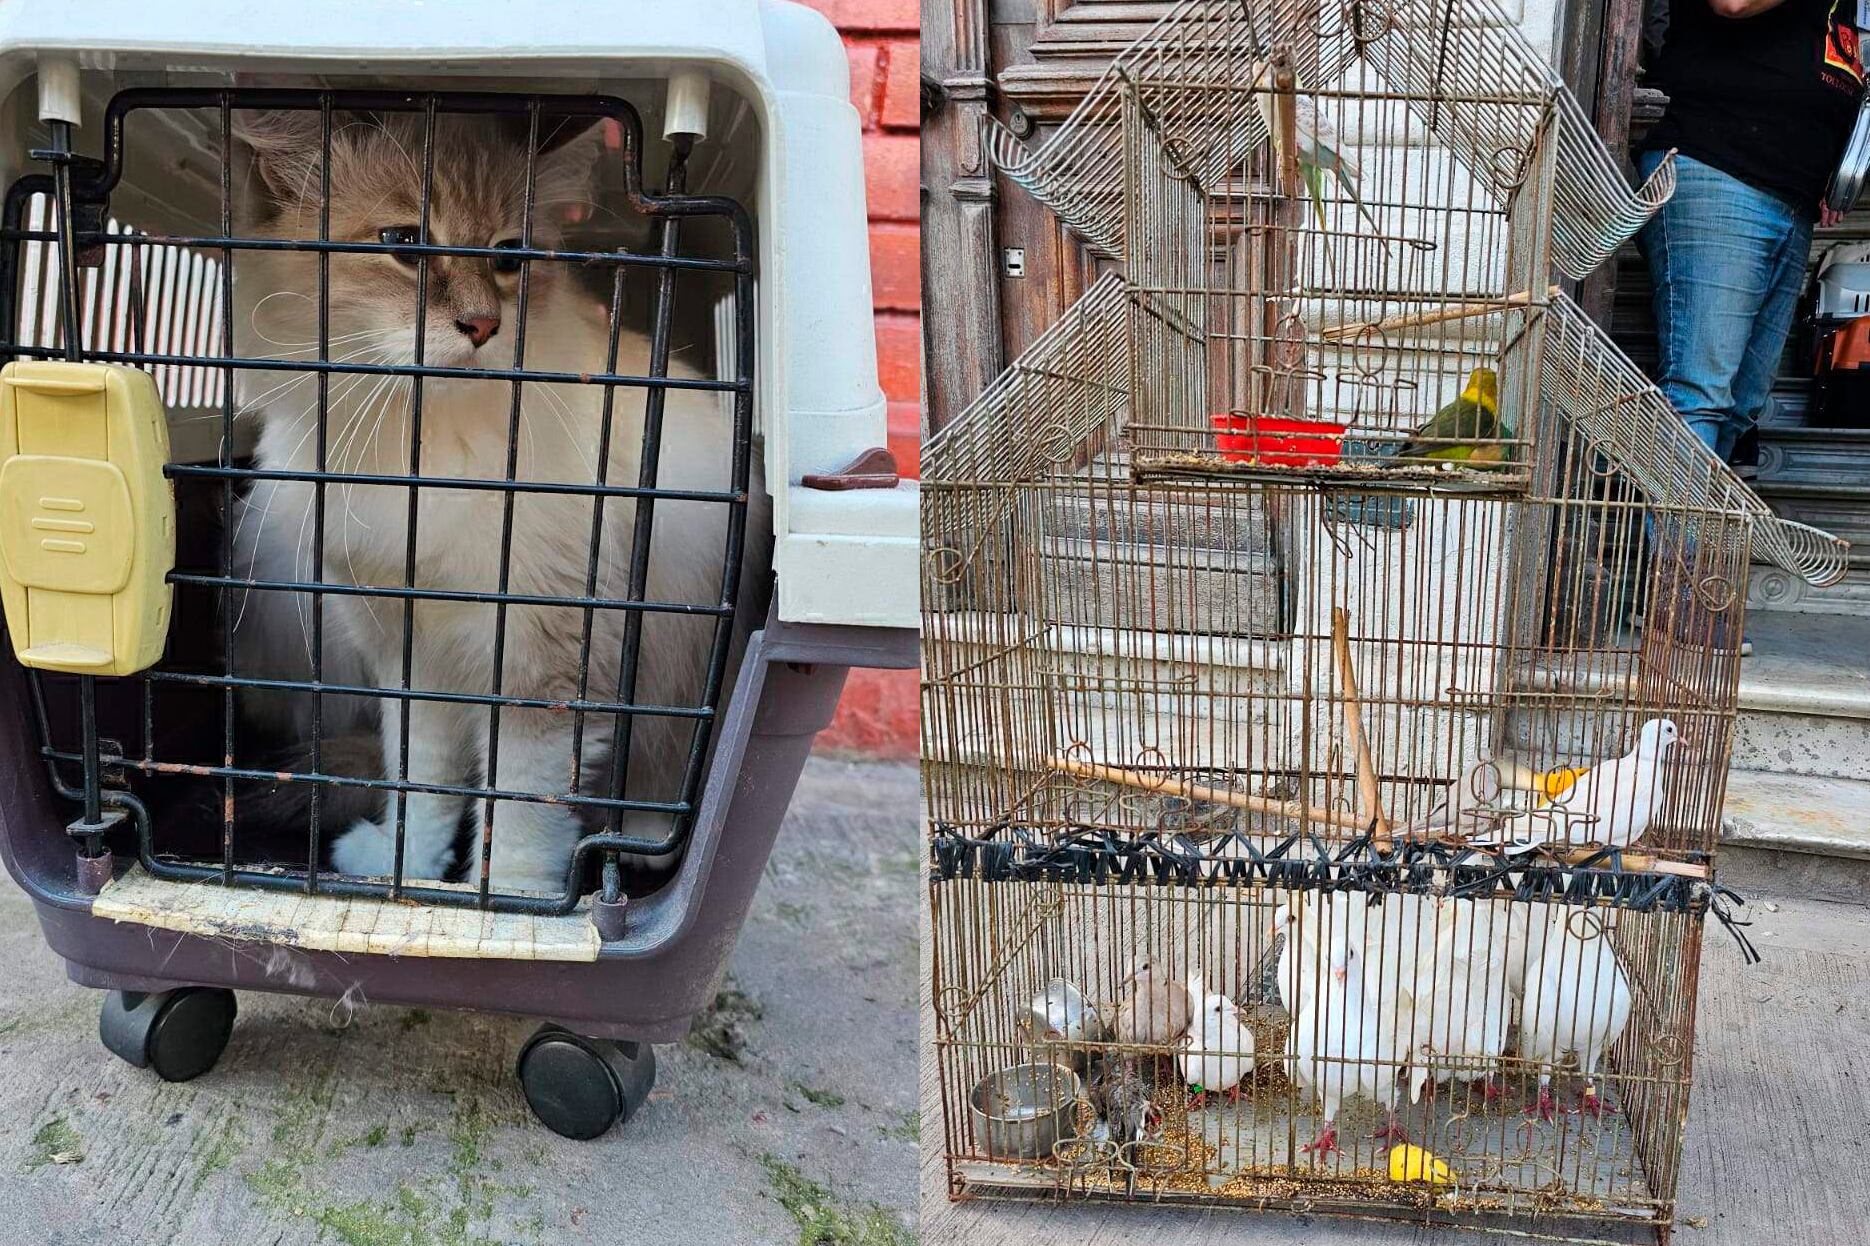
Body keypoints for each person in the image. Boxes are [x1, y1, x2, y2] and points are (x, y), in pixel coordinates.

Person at [1637, 0, 1865, 469]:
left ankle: (1698, 543)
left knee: (1741, 407)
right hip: (1719, 167)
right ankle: (1678, 545)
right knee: (1700, 393)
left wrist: (1837, 165)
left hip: (1791, 192)